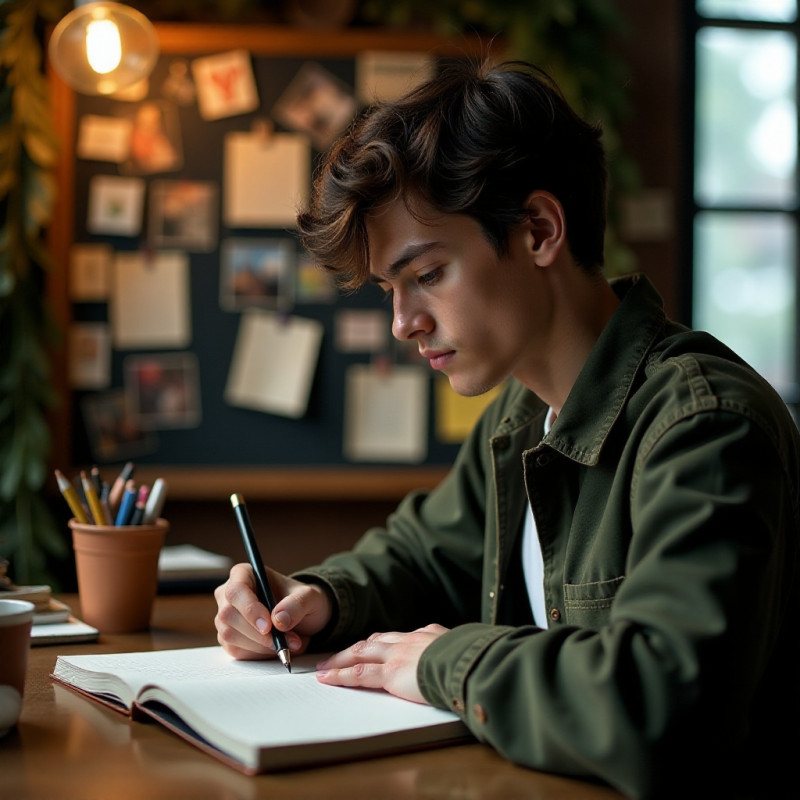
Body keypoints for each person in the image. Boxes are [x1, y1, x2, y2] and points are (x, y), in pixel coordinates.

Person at [214, 59, 799, 799]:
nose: (402, 323)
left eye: (426, 274)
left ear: (539, 230)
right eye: (392, 290)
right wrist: (314, 598)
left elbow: (660, 707)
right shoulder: (520, 415)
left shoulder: (705, 425)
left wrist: (443, 663)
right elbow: (426, 556)